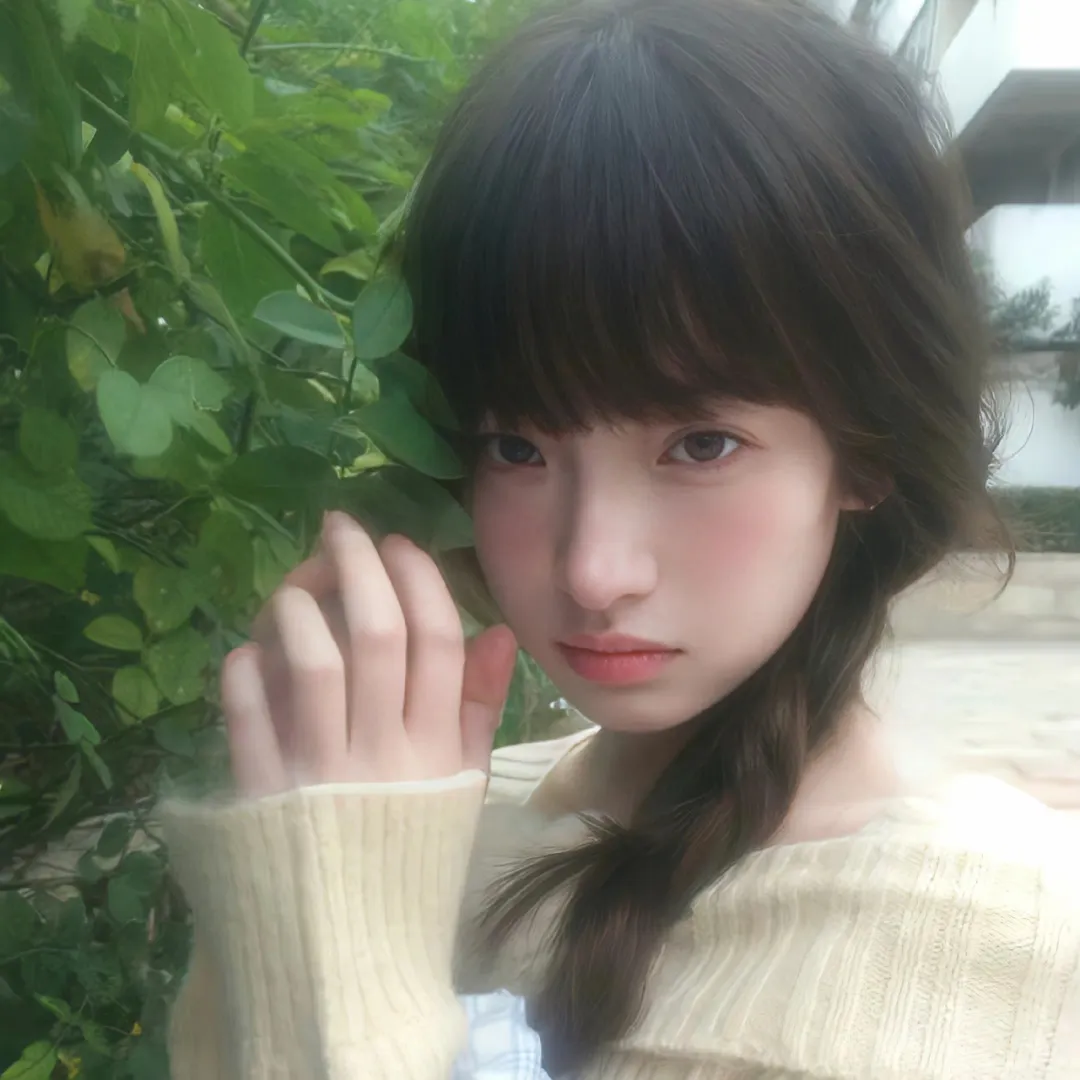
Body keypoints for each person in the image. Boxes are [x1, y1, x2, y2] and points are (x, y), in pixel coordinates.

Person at [161, 1, 1080, 1077]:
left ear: (867, 450)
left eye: (701, 445)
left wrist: (332, 951)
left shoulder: (988, 951)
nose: (594, 572)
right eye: (515, 446)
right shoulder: (431, 806)